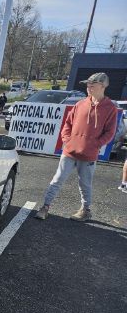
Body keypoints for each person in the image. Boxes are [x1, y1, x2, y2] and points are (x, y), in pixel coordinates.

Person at [34, 73, 118, 222]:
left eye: (93, 84)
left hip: (89, 155)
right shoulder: (80, 104)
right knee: (57, 179)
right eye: (88, 84)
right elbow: (67, 124)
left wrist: (95, 145)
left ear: (103, 86)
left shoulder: (110, 108)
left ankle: (85, 210)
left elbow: (110, 132)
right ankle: (45, 207)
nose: (89, 87)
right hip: (69, 151)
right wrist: (67, 140)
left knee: (85, 184)